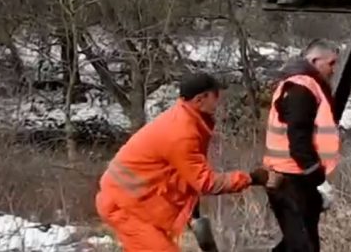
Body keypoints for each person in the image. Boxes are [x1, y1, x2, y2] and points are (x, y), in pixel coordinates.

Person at [95, 73, 270, 252]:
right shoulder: (182, 133)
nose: (219, 102)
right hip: (124, 207)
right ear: (200, 99)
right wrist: (251, 178)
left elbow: (183, 173)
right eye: (216, 96)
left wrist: (192, 210)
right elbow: (205, 183)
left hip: (137, 204)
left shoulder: (190, 119)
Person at [263, 40, 342, 252]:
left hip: (293, 177)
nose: (334, 69)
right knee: (303, 246)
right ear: (315, 61)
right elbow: (298, 139)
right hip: (292, 179)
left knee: (297, 243)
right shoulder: (301, 88)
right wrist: (317, 177)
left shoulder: (302, 86)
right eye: (331, 63)